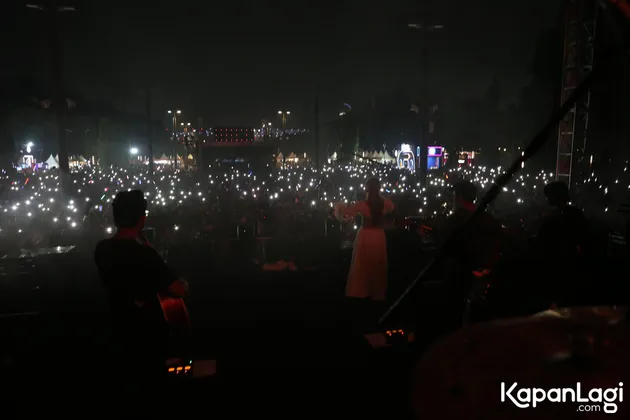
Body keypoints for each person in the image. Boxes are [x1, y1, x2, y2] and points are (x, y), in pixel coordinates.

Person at [94, 190, 188, 382]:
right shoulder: (145, 255)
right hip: (147, 337)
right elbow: (177, 289)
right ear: (141, 218)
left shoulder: (102, 249)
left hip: (117, 330)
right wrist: (185, 282)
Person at [436, 180, 503, 328]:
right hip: (484, 280)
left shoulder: (454, 221)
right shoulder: (489, 219)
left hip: (458, 282)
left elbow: (443, 249)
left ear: (458, 196)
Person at [336, 178, 395, 329]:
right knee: (377, 263)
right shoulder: (385, 204)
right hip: (378, 236)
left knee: (362, 264)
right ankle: (376, 292)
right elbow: (392, 206)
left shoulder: (362, 205)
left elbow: (345, 215)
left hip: (366, 236)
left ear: (367, 189)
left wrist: (340, 206)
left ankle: (361, 290)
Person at [535, 181, 593, 306]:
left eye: (549, 196)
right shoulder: (572, 214)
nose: (547, 199)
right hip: (568, 267)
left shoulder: (558, 217)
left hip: (562, 268)